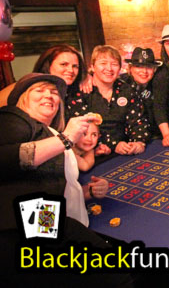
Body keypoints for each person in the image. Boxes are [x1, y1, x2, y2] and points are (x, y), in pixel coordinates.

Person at [0, 73, 132, 287]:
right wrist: (66, 137)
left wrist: (87, 192)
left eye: (54, 93)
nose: (49, 96)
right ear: (22, 98)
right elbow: (6, 159)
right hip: (17, 225)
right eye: (39, 90)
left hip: (44, 219)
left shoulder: (51, 132)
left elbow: (52, 184)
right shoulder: (13, 118)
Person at [67, 45, 149, 156]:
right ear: (92, 66)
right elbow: (81, 129)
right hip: (92, 153)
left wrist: (139, 142)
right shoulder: (80, 93)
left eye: (114, 64)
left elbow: (137, 121)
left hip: (125, 151)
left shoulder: (127, 91)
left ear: (120, 68)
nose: (109, 68)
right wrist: (113, 145)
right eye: (103, 63)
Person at [0, 44, 90, 107]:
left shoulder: (78, 89)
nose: (71, 70)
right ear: (47, 65)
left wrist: (88, 76)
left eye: (75, 66)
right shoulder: (27, 85)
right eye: (63, 64)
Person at [122, 47, 163, 138]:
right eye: (139, 66)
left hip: (155, 137)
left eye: (149, 67)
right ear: (130, 68)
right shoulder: (120, 84)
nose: (144, 71)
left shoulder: (159, 85)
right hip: (125, 140)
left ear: (154, 70)